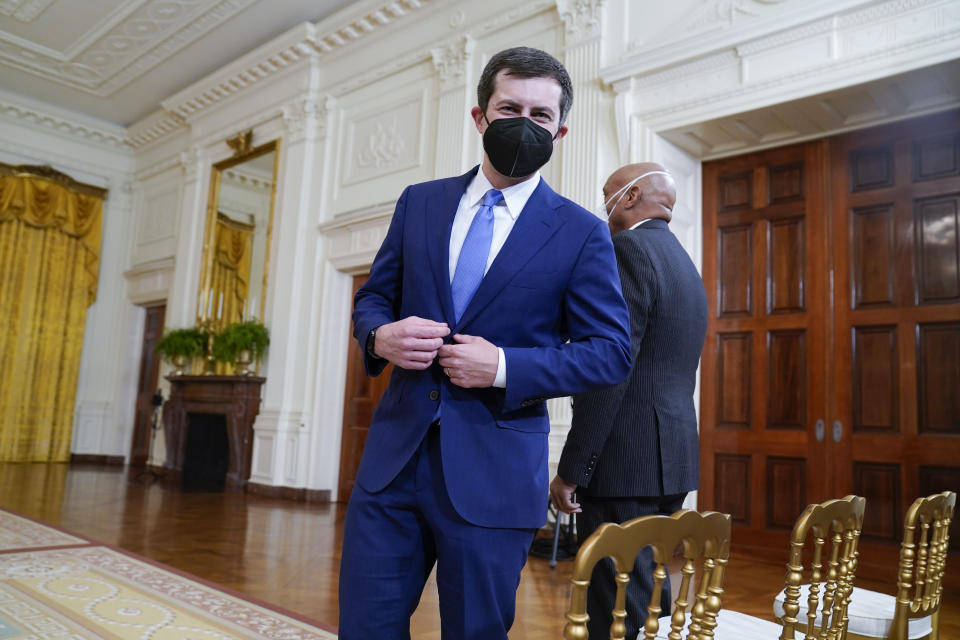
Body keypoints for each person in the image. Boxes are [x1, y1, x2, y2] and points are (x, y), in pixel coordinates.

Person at [340, 47, 632, 639]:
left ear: (560, 130)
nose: (525, 123)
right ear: (480, 117)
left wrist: (503, 366)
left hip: (494, 477)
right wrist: (381, 335)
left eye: (540, 115)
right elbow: (374, 298)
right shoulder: (419, 203)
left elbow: (610, 351)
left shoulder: (581, 233)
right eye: (509, 108)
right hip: (391, 467)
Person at [550, 163, 708, 639]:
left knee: (613, 603)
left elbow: (609, 370)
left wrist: (573, 469)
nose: (604, 205)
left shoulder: (626, 249)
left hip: (624, 459)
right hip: (672, 457)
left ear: (633, 194)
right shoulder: (682, 262)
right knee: (648, 587)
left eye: (607, 194)